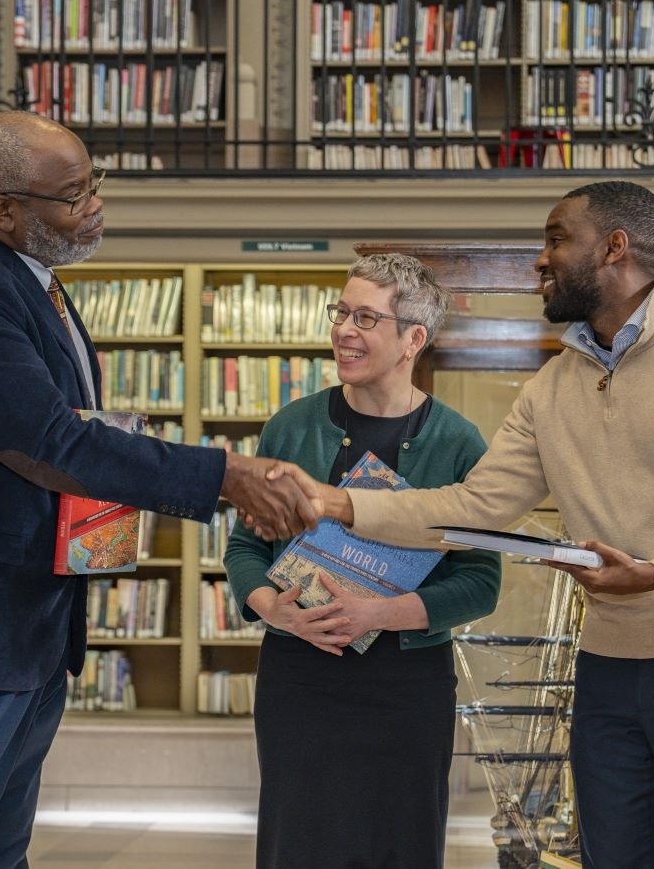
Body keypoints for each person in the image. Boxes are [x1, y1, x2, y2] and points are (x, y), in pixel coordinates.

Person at [0, 110, 316, 868]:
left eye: (94, 184)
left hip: (11, 637)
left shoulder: (26, 273)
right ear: (4, 209)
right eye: (73, 195)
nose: (95, 206)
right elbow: (48, 442)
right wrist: (227, 475)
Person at [273, 181, 654, 869]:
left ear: (615, 248)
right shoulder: (551, 388)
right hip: (611, 666)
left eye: (556, 239)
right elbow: (473, 506)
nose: (539, 261)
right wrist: (342, 504)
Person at [223, 253, 501, 869]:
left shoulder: (459, 444)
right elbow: (245, 548)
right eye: (341, 312)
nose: (345, 329)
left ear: (413, 339)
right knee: (296, 844)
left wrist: (381, 613)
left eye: (366, 317)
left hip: (406, 688)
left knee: (401, 845)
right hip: (300, 676)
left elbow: (481, 583)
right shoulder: (291, 427)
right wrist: (274, 609)